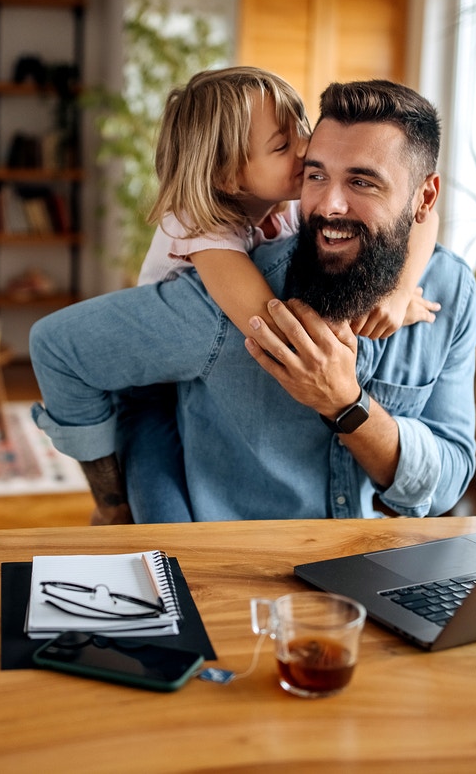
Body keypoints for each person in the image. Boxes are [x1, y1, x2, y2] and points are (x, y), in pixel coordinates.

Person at [31, 79, 476, 523]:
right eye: (316, 173)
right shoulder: (219, 265)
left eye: (362, 181)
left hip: (369, 566)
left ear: (424, 195)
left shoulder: (448, 289)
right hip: (164, 434)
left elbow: (447, 484)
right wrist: (111, 503)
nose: (327, 203)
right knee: (159, 522)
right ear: (229, 174)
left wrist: (397, 294)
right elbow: (59, 348)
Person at [122, 67, 439, 524]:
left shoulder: (287, 197)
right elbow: (276, 327)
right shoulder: (198, 224)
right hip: (150, 393)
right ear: (229, 176)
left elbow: (425, 211)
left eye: (301, 129)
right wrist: (369, 312)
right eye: (282, 145)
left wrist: (397, 290)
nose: (306, 148)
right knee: (164, 530)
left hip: (202, 386)